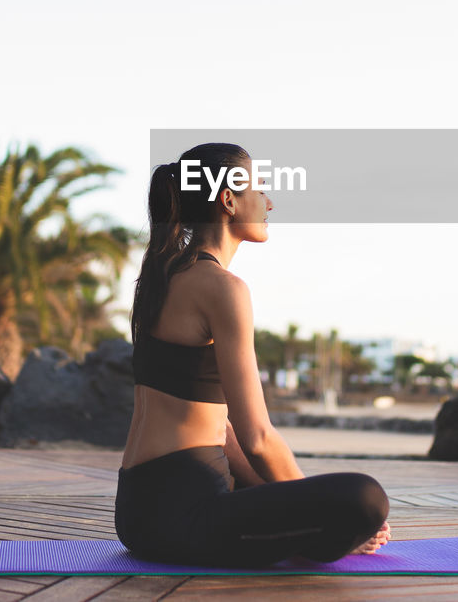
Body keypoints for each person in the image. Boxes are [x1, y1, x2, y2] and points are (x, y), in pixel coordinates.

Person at [115, 142, 391, 567]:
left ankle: (309, 527)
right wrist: (314, 505)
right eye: (260, 189)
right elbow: (257, 438)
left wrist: (295, 498)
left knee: (334, 499)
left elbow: (220, 428)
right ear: (228, 200)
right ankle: (317, 531)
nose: (269, 202)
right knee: (365, 497)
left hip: (138, 511)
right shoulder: (223, 288)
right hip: (182, 515)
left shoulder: (160, 276)